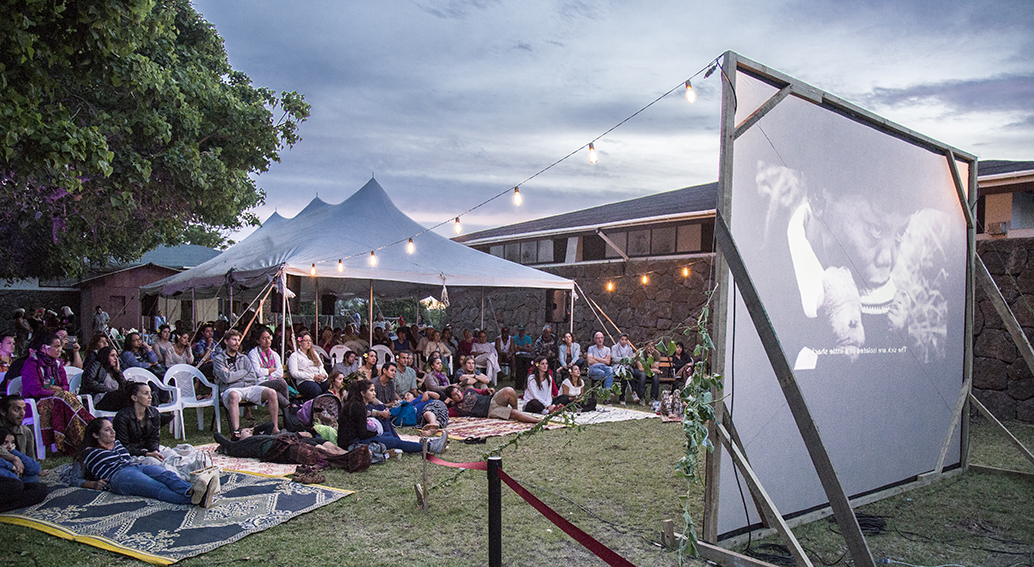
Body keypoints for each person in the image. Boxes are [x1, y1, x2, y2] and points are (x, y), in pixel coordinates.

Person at [78, 418, 218, 507]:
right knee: (156, 487)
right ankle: (194, 499)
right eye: (107, 430)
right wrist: (92, 484)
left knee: (166, 475)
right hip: (119, 476)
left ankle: (192, 490)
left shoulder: (117, 444)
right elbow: (73, 477)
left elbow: (132, 453)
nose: (112, 432)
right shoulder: (89, 453)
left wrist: (147, 453)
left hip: (135, 466)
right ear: (95, 435)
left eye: (112, 428)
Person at [20, 332, 93, 454]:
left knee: (64, 397)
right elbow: (36, 390)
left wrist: (57, 391)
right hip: (36, 402)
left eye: (60, 346)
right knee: (65, 397)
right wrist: (57, 392)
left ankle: (79, 439)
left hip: (58, 399)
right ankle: (86, 434)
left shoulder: (57, 364)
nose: (60, 349)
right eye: (56, 346)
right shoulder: (31, 364)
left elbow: (65, 386)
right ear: (44, 347)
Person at [338, 380, 446, 454]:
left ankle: (422, 444)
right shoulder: (357, 406)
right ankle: (430, 447)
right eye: (371, 391)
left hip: (354, 439)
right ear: (362, 393)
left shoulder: (358, 404)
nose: (374, 393)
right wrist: (376, 433)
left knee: (388, 435)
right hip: (353, 443)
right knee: (394, 442)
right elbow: (362, 434)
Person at [213, 330, 282, 439]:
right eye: (234, 340)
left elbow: (252, 377)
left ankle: (275, 428)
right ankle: (237, 432)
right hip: (230, 389)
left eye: (238, 340)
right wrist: (243, 372)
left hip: (248, 387)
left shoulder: (244, 358)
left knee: (271, 392)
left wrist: (233, 375)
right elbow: (226, 378)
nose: (237, 343)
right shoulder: (218, 360)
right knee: (234, 395)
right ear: (226, 341)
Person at [112, 382, 165, 462]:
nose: (150, 397)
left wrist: (154, 451)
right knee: (155, 462)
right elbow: (124, 446)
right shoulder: (123, 417)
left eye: (150, 393)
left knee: (180, 454)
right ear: (134, 397)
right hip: (132, 454)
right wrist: (147, 454)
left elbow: (154, 438)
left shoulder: (154, 413)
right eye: (145, 393)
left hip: (148, 450)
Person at [0, 424, 47, 512]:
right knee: (16, 485)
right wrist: (11, 467)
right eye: (5, 443)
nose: (10, 446)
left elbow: (34, 469)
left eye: (12, 443)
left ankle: (5, 507)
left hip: (11, 491)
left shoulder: (13, 454)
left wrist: (14, 453)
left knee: (40, 489)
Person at [443, 385, 541, 423]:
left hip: (492, 400)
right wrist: (446, 401)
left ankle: (516, 411)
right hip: (489, 411)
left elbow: (483, 391)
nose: (458, 394)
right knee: (514, 413)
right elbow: (444, 412)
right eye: (454, 395)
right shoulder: (456, 409)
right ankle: (537, 421)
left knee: (509, 390)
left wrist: (489, 390)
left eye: (458, 391)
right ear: (452, 398)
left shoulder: (469, 390)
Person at [81, 346, 132, 411]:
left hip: (114, 399)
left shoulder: (114, 371)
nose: (116, 359)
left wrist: (118, 372)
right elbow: (89, 382)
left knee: (132, 394)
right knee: (125, 396)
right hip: (99, 398)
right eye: (112, 356)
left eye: (116, 356)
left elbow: (124, 386)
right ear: (105, 356)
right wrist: (109, 390)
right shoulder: (96, 365)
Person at [248, 328, 290, 407]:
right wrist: (271, 370)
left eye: (269, 337)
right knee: (281, 382)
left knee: (276, 392)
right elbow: (257, 373)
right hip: (260, 382)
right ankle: (289, 408)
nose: (267, 341)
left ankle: (287, 407)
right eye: (264, 338)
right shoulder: (253, 354)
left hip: (274, 382)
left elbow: (280, 373)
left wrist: (266, 371)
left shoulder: (274, 354)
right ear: (258, 341)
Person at [288, 331, 329, 401]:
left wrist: (324, 375)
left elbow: (320, 366)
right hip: (304, 381)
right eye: (306, 340)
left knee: (330, 386)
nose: (309, 342)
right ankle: (314, 410)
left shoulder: (314, 353)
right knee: (316, 389)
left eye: (310, 340)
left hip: (318, 378)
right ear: (300, 342)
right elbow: (294, 373)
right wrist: (312, 376)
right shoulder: (294, 356)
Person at [0, 395, 36, 461]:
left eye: (24, 409)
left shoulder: (25, 431)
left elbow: (31, 460)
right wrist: (13, 458)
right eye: (16, 410)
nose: (22, 413)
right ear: (3, 412)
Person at [611, 333, 643, 405]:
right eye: (622, 340)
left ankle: (630, 394)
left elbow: (631, 359)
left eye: (625, 340)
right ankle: (630, 394)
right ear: (619, 340)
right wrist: (625, 359)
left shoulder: (629, 348)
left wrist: (629, 360)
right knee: (624, 375)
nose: (623, 341)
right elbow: (614, 358)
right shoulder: (614, 347)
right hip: (618, 367)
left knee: (627, 375)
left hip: (627, 367)